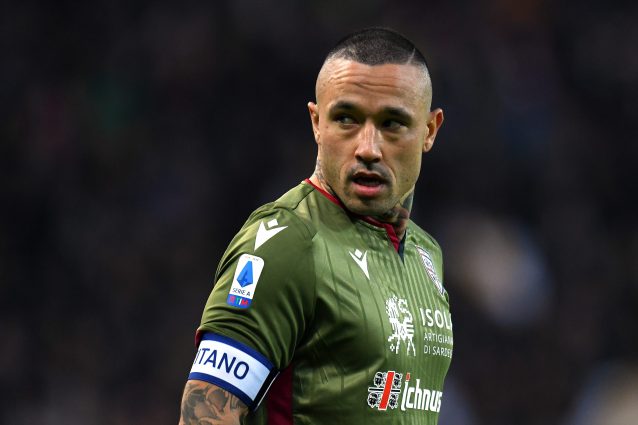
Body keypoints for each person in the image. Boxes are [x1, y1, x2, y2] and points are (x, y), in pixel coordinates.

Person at [178, 27, 451, 425]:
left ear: (429, 130)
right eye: (346, 119)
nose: (368, 148)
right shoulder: (286, 243)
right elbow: (204, 415)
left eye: (392, 123)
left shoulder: (427, 254)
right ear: (317, 122)